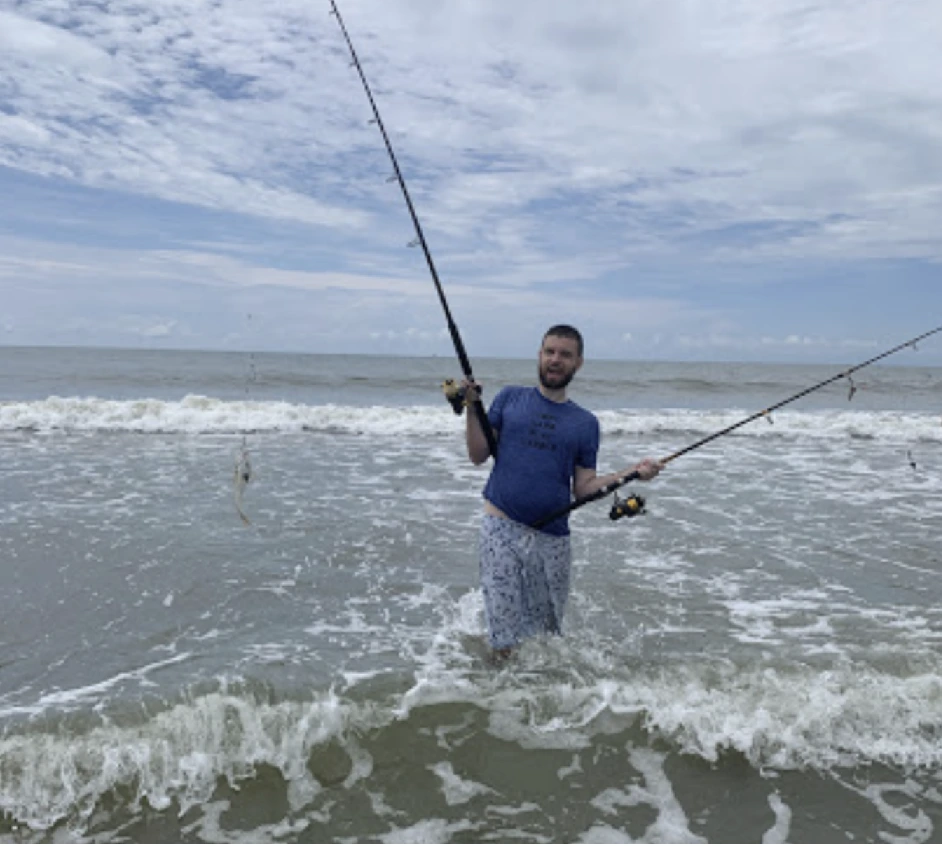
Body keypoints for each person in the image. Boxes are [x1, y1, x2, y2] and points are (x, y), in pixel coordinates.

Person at [463, 324, 662, 657]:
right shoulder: (509, 398)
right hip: (500, 526)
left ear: (578, 363)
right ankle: (497, 699)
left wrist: (632, 473)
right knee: (504, 635)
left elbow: (584, 488)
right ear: (539, 355)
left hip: (553, 539)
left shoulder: (585, 423)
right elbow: (477, 455)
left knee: (545, 640)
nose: (555, 360)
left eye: (565, 355)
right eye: (550, 352)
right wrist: (471, 408)